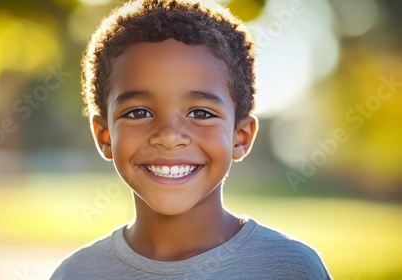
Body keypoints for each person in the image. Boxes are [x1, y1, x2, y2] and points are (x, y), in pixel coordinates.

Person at [51, 0, 331, 278]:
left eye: (200, 112)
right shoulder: (75, 273)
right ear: (104, 136)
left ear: (240, 137)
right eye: (138, 112)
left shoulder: (290, 269)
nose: (169, 136)